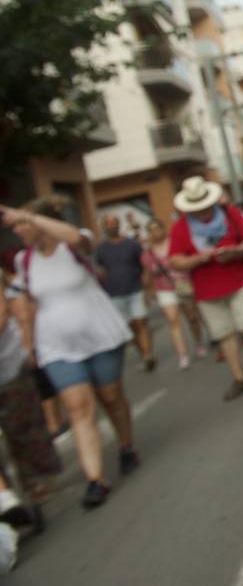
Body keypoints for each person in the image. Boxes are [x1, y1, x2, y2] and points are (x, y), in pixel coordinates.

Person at [0, 198, 137, 509]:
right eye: (18, 225)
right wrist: (28, 344)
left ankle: (126, 446)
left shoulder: (75, 245)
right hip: (57, 346)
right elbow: (29, 304)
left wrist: (26, 214)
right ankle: (95, 479)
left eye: (24, 225)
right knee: (78, 408)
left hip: (100, 335)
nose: (19, 230)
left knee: (112, 398)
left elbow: (76, 236)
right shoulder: (24, 261)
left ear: (41, 223)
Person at [166, 177, 243, 401]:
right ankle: (240, 378)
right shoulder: (180, 227)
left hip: (238, 281)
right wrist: (199, 259)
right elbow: (174, 260)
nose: (202, 210)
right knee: (225, 334)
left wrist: (236, 251)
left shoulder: (230, 213)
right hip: (207, 290)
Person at [0, 291, 59, 534]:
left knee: (22, 430)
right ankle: (5, 498)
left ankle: (32, 485)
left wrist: (28, 346)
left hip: (8, 369)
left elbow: (2, 315)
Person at [141, 218, 208, 369]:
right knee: (173, 321)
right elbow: (147, 273)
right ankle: (183, 355)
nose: (155, 233)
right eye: (151, 230)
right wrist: (148, 291)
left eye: (157, 228)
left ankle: (198, 343)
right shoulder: (147, 253)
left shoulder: (175, 243)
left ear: (163, 229)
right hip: (164, 289)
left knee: (192, 317)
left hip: (183, 285)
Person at [94, 214, 154, 372]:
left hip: (135, 289)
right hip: (114, 293)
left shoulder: (131, 244)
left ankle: (148, 355)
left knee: (140, 321)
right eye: (108, 224)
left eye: (114, 223)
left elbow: (144, 264)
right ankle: (143, 352)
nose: (111, 226)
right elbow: (101, 270)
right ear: (104, 227)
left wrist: (147, 282)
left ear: (118, 225)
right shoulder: (101, 249)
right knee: (129, 327)